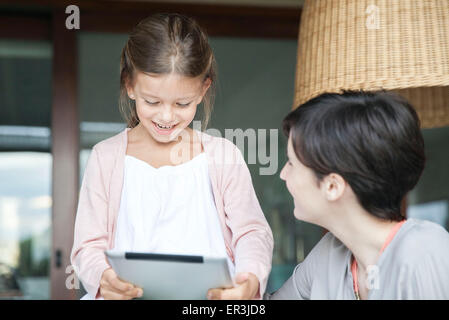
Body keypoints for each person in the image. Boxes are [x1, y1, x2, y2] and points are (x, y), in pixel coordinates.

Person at [71, 13, 273, 300]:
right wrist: (104, 279)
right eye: (152, 101)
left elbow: (252, 232)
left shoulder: (222, 155)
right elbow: (87, 246)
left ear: (203, 90)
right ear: (129, 85)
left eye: (182, 103)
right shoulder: (106, 157)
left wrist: (250, 279)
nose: (166, 117)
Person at [267, 90, 449, 299]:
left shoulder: (425, 253)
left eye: (291, 163)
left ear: (333, 186)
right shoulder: (329, 254)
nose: (283, 174)